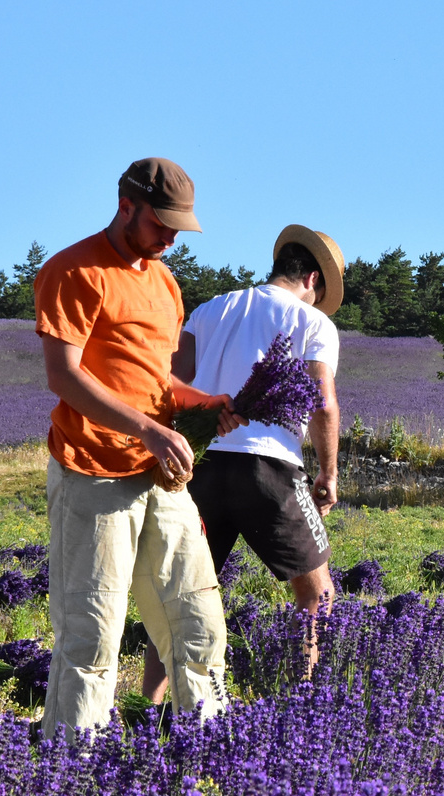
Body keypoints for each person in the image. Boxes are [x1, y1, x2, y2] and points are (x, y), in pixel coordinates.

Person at [33, 157, 241, 741]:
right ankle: (70, 772)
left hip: (162, 479)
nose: (172, 238)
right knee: (92, 633)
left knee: (199, 623)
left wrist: (205, 404)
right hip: (92, 473)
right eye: (162, 224)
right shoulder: (74, 271)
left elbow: (154, 381)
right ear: (128, 205)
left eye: (180, 227)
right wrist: (147, 429)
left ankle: (209, 757)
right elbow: (65, 377)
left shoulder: (165, 281)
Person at [142, 225, 346, 704]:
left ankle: (148, 709)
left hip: (202, 467)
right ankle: (303, 704)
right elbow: (323, 403)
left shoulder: (212, 309)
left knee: (176, 597)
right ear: (312, 279)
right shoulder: (314, 324)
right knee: (317, 593)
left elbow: (172, 381)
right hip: (269, 470)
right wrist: (328, 473)